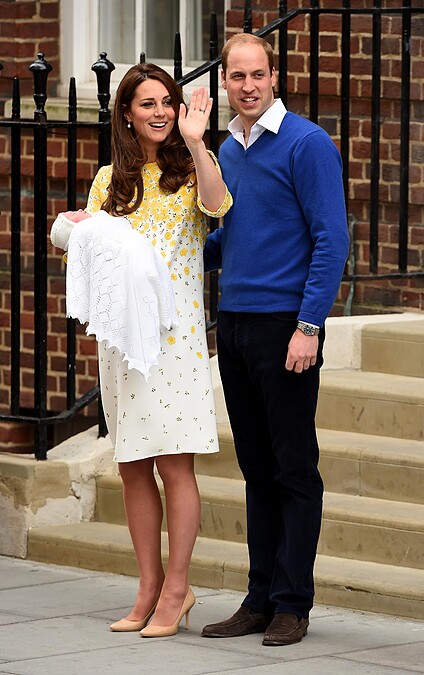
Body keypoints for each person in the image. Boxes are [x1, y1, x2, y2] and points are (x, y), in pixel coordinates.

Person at [51, 63, 232, 638]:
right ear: (127, 114)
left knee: (174, 464)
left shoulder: (194, 167)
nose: (159, 112)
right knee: (131, 467)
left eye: (167, 102)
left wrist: (198, 142)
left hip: (175, 340)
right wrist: (70, 231)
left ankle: (177, 591)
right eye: (147, 104)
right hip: (123, 344)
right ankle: (148, 587)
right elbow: (84, 252)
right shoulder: (110, 180)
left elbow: (219, 208)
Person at [201, 34, 350, 647]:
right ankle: (258, 598)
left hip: (286, 326)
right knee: (256, 468)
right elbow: (225, 238)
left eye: (257, 75)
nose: (248, 86)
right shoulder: (227, 149)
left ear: (273, 76)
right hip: (234, 325)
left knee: (293, 469)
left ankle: (293, 602)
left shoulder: (307, 143)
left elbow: (331, 240)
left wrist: (308, 326)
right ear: (225, 83)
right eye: (237, 77)